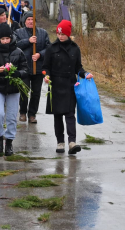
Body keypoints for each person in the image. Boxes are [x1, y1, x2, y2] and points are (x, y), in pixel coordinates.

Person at [43, 20, 93, 155]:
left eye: (63, 34)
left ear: (68, 34)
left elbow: (78, 67)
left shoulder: (75, 49)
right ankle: (60, 142)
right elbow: (45, 67)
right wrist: (46, 75)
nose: (60, 36)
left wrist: (85, 74)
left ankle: (72, 142)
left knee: (70, 115)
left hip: (70, 85)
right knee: (58, 116)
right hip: (55, 86)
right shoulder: (51, 48)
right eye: (58, 33)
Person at [0, 23, 28, 156]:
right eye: (2, 39)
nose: (5, 41)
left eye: (7, 39)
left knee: (12, 117)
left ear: (11, 38)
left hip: (13, 89)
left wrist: (17, 73)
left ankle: (9, 142)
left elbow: (25, 69)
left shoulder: (18, 52)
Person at [14, 12, 51, 124]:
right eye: (28, 19)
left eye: (32, 19)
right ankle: (22, 112)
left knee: (36, 93)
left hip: (38, 68)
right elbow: (14, 45)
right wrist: (28, 41)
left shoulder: (43, 33)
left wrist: (40, 54)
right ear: (25, 21)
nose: (30, 21)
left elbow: (49, 48)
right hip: (24, 68)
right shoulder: (18, 32)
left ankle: (32, 114)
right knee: (24, 91)